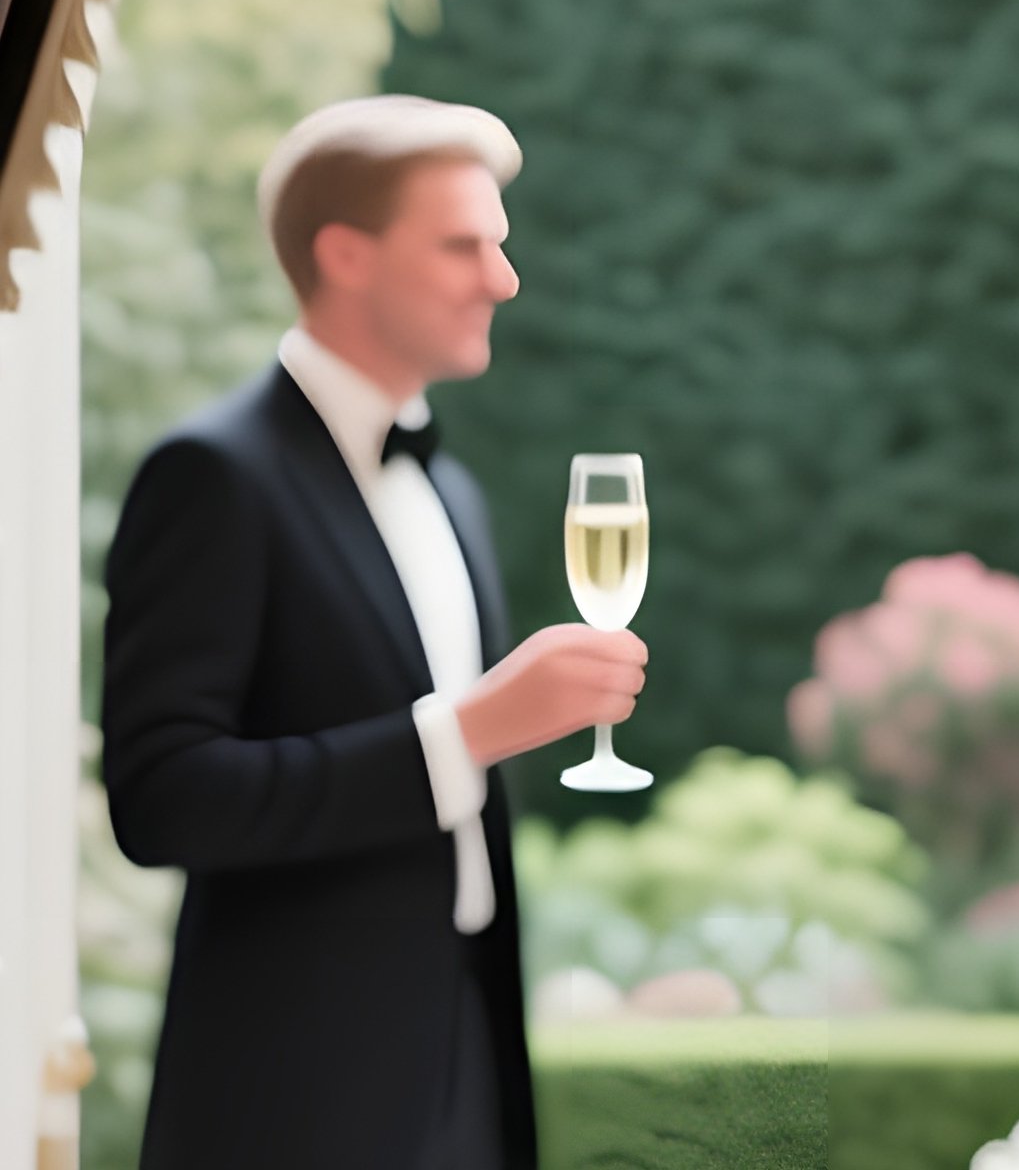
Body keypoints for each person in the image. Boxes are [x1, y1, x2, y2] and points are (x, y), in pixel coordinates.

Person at [101, 95, 649, 1170]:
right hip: (292, 1098)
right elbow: (161, 798)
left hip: (465, 1064)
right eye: (463, 245)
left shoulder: (455, 492)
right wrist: (469, 732)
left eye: (499, 243)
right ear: (345, 254)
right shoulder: (212, 476)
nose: (503, 278)